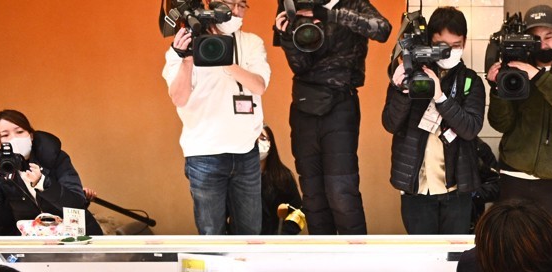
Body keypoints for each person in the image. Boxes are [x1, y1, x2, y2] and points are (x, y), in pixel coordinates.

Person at [276, 0, 391, 235]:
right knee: (313, 195)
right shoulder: (292, 5)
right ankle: (322, 261)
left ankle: (356, 262)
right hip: (304, 105)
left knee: (341, 191)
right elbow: (300, 65)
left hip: (340, 103)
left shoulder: (352, 3)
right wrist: (286, 35)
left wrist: (329, 15)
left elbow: (382, 29)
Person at [163, 0, 269, 236]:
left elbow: (259, 86)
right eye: (230, 4)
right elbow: (179, 98)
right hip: (204, 155)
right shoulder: (183, 46)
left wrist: (226, 60)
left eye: (242, 6)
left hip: (246, 152)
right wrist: (188, 60)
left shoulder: (251, 42)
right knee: (212, 235)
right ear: (212, 4)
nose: (236, 11)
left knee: (251, 232)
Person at [382, 7, 485, 235]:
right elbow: (390, 124)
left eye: (456, 46)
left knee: (452, 258)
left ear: (464, 42)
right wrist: (401, 91)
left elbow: (470, 129)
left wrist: (440, 97)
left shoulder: (471, 81)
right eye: (442, 46)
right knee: (422, 257)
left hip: (456, 189)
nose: (449, 52)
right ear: (430, 41)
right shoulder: (409, 75)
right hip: (416, 188)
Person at [487, 5, 552, 233]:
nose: (542, 44)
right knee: (512, 246)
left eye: (548, 36)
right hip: (514, 177)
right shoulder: (515, 71)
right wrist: (497, 89)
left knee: (551, 249)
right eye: (535, 38)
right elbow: (500, 124)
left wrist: (539, 77)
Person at [0, 110, 103, 237]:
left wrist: (43, 184)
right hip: (33, 240)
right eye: (5, 135)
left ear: (31, 135)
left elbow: (76, 203)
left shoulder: (54, 156)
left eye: (20, 131)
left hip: (75, 235)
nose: (14, 138)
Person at [258, 125, 304, 235]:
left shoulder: (283, 176)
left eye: (263, 138)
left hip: (277, 242)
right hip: (244, 244)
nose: (258, 143)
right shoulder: (236, 179)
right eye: (254, 139)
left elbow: (298, 212)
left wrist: (282, 235)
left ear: (271, 143)